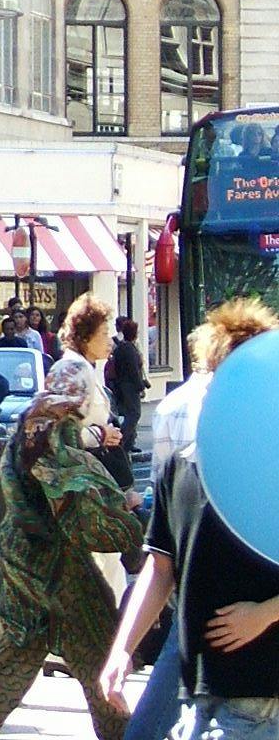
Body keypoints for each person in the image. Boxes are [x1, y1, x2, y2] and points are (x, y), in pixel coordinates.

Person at [103, 313, 279, 740]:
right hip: (199, 690)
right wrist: (121, 651)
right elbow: (159, 568)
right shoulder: (178, 469)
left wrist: (266, 613)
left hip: (262, 694)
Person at [0, 360, 145, 740]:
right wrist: (127, 520)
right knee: (97, 655)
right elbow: (75, 501)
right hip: (56, 568)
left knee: (12, 649)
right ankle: (122, 735)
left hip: (24, 559)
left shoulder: (31, 421)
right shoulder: (57, 432)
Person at [58, 292, 133, 490]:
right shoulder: (74, 370)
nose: (109, 341)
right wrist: (102, 434)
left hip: (90, 475)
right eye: (103, 334)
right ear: (85, 337)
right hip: (80, 481)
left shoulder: (85, 367)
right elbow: (61, 435)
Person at [108, 318, 148, 456]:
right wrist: (140, 386)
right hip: (129, 387)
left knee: (130, 414)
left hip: (122, 385)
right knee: (133, 414)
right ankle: (122, 441)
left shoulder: (122, 347)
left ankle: (128, 442)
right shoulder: (129, 349)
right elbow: (133, 370)